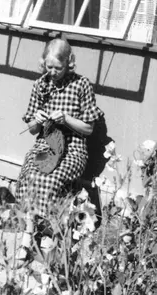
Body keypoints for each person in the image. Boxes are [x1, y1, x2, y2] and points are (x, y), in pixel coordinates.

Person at [16, 38, 103, 219]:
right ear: (43, 63)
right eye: (49, 67)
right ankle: (29, 227)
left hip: (73, 150)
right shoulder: (40, 85)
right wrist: (37, 120)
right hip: (44, 147)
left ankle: (52, 228)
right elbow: (32, 130)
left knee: (51, 180)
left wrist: (66, 119)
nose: (53, 72)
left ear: (68, 63)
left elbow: (88, 129)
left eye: (58, 68)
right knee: (29, 175)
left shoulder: (81, 85)